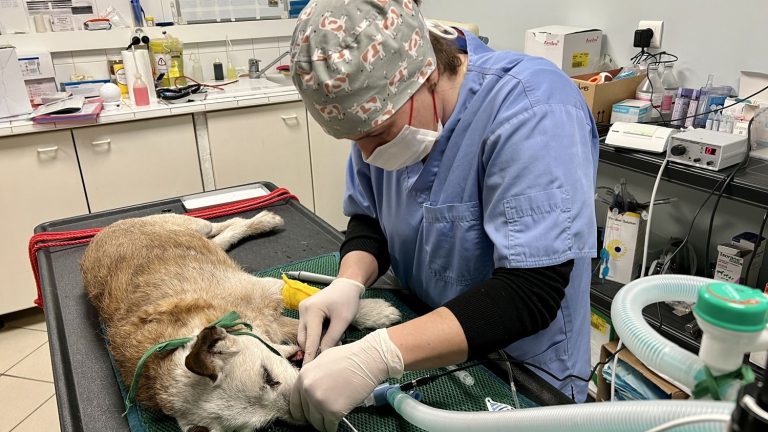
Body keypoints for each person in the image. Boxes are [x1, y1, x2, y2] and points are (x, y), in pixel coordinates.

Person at [288, 0, 599, 430]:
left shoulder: (532, 108)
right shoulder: (385, 108)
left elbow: (531, 291)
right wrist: (349, 280)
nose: (367, 154)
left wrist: (379, 354)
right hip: (426, 336)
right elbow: (370, 221)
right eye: (353, 138)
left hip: (521, 372)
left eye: (376, 133)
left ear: (428, 73)